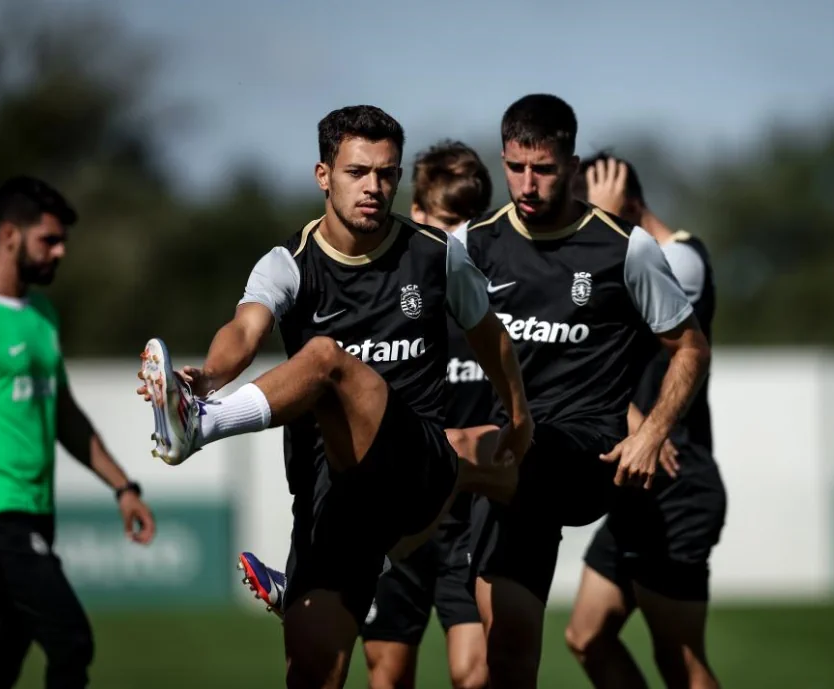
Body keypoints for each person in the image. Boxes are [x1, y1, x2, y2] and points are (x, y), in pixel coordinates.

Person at [136, 106, 531, 689]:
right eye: (357, 172)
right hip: (333, 503)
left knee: (325, 360)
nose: (374, 187)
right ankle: (361, 560)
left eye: (387, 173)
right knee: (314, 671)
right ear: (324, 175)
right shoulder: (288, 263)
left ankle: (203, 425)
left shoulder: (435, 255)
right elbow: (244, 331)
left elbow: (489, 334)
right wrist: (207, 376)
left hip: (412, 462)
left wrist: (520, 413)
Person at [455, 94, 712, 689]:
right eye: (515, 167)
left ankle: (353, 566)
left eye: (542, 169)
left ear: (571, 166)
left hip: (585, 455)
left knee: (442, 452)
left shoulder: (626, 248)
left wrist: (650, 433)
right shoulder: (474, 245)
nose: (527, 183)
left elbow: (690, 348)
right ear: (502, 159)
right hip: (510, 469)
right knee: (508, 656)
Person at [237, 140, 494, 689]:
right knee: (387, 670)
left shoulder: (479, 303)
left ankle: (321, 574)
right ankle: (335, 571)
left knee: (475, 673)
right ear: (416, 214)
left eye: (468, 221)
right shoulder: (393, 287)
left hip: (457, 522)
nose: (453, 234)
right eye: (442, 219)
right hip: (388, 498)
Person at [0, 176, 156, 689]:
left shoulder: (41, 314)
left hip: (36, 511)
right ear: (8, 234)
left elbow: (65, 414)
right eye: (49, 239)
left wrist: (123, 487)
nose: (61, 250)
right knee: (71, 640)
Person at [565, 153, 726, 689]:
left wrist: (604, 229)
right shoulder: (627, 255)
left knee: (678, 659)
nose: (585, 225)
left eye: (595, 213)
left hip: (677, 483)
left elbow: (593, 308)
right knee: (586, 636)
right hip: (636, 484)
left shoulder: (683, 259)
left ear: (626, 203)